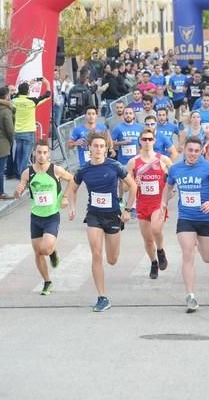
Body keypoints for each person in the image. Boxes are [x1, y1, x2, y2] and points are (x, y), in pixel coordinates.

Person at [66, 131, 137, 312]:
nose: (98, 149)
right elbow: (72, 189)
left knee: (112, 259)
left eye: (101, 146)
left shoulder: (114, 166)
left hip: (113, 215)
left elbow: (133, 186)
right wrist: (72, 206)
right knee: (96, 254)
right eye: (95, 146)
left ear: (106, 149)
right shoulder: (84, 169)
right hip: (94, 216)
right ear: (89, 148)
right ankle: (102, 297)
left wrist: (128, 209)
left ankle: (110, 260)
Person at [161, 136, 209, 313]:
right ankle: (190, 296)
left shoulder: (208, 168)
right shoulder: (175, 169)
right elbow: (168, 187)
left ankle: (198, 242)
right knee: (188, 253)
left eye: (197, 151)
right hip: (186, 218)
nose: (193, 154)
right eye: (190, 150)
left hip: (205, 219)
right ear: (184, 150)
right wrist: (164, 203)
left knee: (207, 258)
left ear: (201, 152)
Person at [14, 139, 73, 295]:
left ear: (49, 154)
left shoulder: (56, 170)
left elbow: (73, 180)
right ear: (34, 153)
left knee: (45, 248)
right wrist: (18, 191)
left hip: (52, 215)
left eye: (45, 152)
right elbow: (18, 192)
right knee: (38, 252)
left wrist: (65, 197)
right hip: (36, 217)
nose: (41, 155)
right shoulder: (27, 173)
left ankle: (52, 251)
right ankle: (47, 282)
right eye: (39, 152)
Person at [127, 129, 173, 279]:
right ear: (139, 141)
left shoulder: (163, 160)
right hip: (142, 203)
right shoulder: (133, 162)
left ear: (154, 141)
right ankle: (153, 262)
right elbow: (127, 185)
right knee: (147, 239)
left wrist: (169, 193)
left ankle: (160, 250)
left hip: (158, 203)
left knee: (156, 229)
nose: (147, 142)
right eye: (144, 139)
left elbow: (174, 178)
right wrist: (134, 183)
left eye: (149, 139)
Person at [12, 78, 51, 174]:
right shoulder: (32, 101)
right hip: (29, 131)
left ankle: (20, 173)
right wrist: (47, 83)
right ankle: (23, 175)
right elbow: (47, 95)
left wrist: (28, 83)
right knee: (26, 156)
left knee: (19, 155)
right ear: (28, 91)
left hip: (18, 131)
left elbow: (17, 95)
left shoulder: (14, 100)